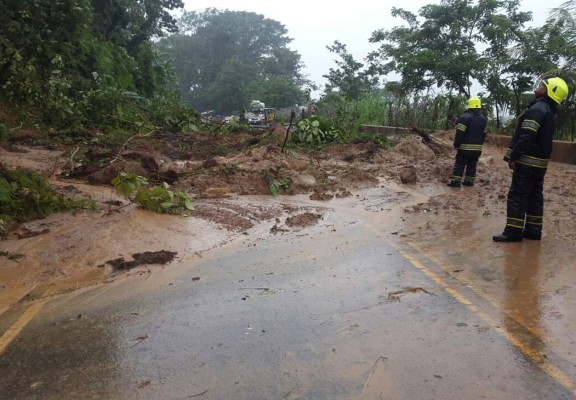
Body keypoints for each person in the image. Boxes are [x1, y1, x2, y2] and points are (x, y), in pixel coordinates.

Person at [493, 76, 569, 242]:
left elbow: (526, 135)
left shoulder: (537, 109)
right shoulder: (550, 112)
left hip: (527, 161)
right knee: (535, 196)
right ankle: (533, 231)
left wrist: (513, 156)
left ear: (549, 91)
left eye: (543, 85)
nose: (539, 86)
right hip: (540, 164)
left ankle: (513, 232)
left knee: (518, 195)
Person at [447, 97, 488, 187]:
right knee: (472, 164)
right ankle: (469, 182)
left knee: (460, 164)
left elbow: (460, 133)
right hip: (477, 148)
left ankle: (456, 182)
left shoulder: (464, 117)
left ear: (469, 106)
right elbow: (484, 134)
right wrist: (479, 144)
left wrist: (457, 144)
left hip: (465, 147)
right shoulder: (483, 119)